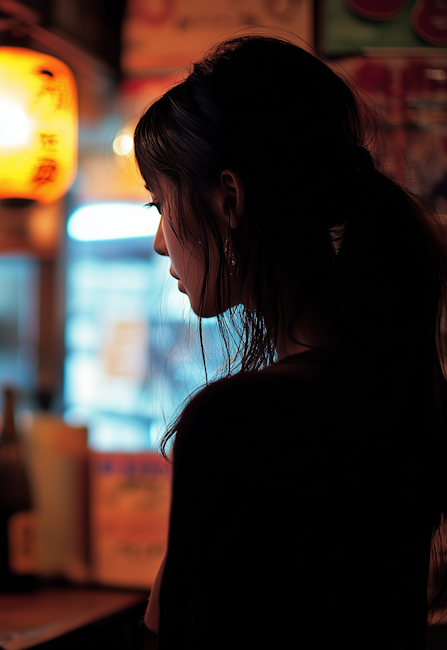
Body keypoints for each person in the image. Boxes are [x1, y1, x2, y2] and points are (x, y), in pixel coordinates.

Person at [133, 36, 447, 649]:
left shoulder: (241, 419)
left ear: (228, 198)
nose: (160, 242)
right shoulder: (402, 384)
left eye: (161, 205)